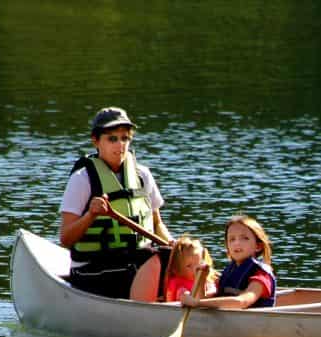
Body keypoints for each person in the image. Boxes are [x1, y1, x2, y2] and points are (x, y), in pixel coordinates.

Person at [58, 106, 173, 301]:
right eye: (112, 139)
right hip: (92, 270)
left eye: (125, 138)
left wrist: (173, 246)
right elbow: (66, 238)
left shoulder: (142, 175)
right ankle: (147, 315)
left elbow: (157, 223)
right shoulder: (82, 179)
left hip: (134, 264)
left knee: (174, 258)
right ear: (96, 140)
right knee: (154, 259)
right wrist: (90, 215)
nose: (120, 145)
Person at [180, 215, 276, 309]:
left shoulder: (261, 275)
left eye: (245, 238)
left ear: (258, 246)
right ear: (227, 247)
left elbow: (242, 301)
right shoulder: (229, 271)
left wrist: (196, 303)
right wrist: (201, 279)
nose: (237, 243)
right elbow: (204, 301)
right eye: (232, 239)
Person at [163, 236, 216, 302]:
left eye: (198, 263)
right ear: (176, 269)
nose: (195, 268)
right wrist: (201, 285)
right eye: (189, 266)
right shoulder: (180, 288)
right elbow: (191, 300)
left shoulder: (205, 278)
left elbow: (213, 292)